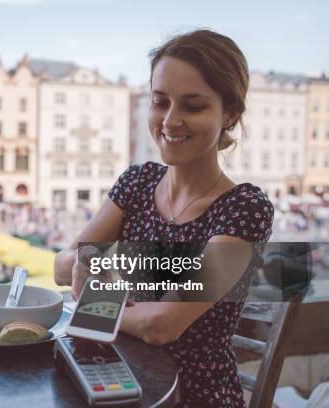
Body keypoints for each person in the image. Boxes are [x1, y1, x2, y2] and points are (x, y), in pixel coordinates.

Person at [53, 29, 274, 407]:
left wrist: (95, 301)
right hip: (122, 378)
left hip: (196, 395)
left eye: (193, 106)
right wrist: (86, 261)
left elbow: (163, 325)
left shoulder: (245, 208)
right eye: (160, 102)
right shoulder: (138, 182)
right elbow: (63, 267)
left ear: (231, 113)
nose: (170, 121)